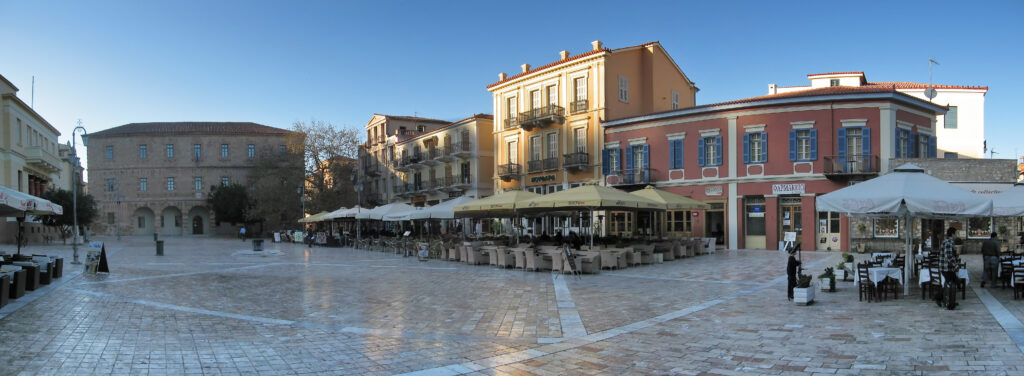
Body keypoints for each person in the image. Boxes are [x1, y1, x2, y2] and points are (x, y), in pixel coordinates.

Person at [935, 227, 959, 309]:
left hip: (946, 267)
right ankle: (941, 299)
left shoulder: (948, 242)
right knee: (951, 282)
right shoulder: (948, 242)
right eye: (956, 233)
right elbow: (948, 256)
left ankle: (949, 301)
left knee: (950, 282)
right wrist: (955, 264)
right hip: (946, 267)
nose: (957, 235)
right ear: (952, 234)